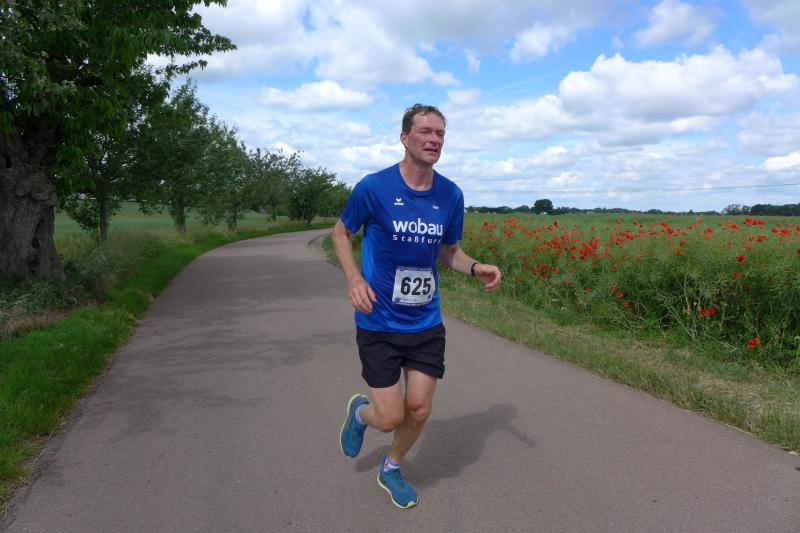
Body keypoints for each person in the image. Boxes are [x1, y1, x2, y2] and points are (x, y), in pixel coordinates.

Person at [332, 103, 502, 509]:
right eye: (425, 131)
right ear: (405, 138)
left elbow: (448, 250)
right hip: (378, 322)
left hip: (425, 322)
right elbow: (340, 232)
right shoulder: (374, 187)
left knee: (420, 409)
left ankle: (391, 467)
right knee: (390, 417)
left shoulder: (451, 194)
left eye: (440, 133)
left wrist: (474, 267)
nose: (434, 139)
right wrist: (354, 279)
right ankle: (361, 414)